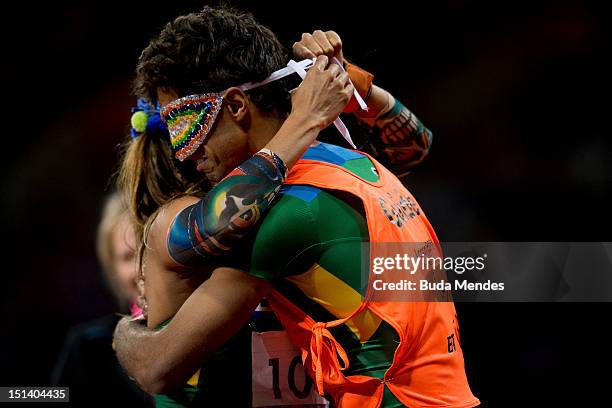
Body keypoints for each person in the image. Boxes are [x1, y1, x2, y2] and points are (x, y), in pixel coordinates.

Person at [114, 5, 479, 408]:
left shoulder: (281, 215)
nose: (184, 154)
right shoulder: (355, 161)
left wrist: (124, 333)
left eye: (184, 125)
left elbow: (158, 368)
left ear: (236, 106)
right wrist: (351, 88)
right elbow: (413, 144)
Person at [52, 192, 152, 406]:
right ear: (113, 269)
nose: (140, 269)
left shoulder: (210, 331)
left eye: (148, 250)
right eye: (127, 256)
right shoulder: (89, 347)